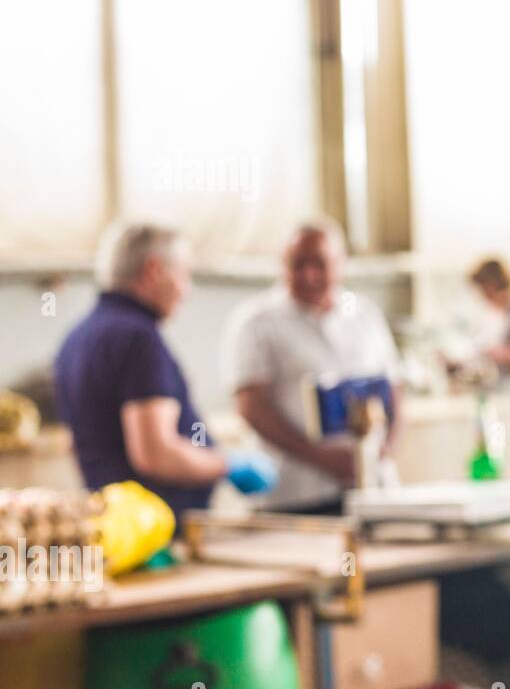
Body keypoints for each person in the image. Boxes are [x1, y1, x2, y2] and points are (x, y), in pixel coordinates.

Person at [54, 223, 275, 515]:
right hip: (157, 531)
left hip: (116, 522)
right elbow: (155, 454)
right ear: (154, 270)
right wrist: (227, 464)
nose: (187, 291)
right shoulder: (138, 339)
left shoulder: (78, 338)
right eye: (184, 275)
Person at [223, 219, 402, 514]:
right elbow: (251, 405)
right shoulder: (256, 322)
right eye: (298, 264)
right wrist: (321, 457)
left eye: (319, 264)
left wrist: (383, 452)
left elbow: (394, 389)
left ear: (341, 263)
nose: (308, 275)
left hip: (370, 487)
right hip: (293, 494)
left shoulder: (365, 315)